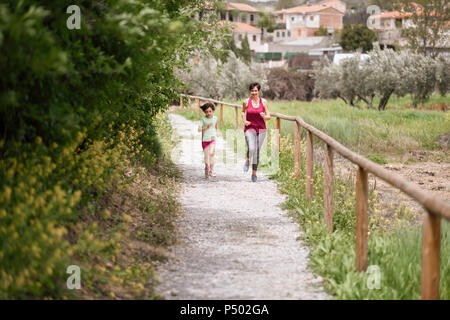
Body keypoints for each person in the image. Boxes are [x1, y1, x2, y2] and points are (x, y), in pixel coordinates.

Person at [241, 82, 270, 182]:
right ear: (250, 91)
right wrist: (244, 121)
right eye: (252, 91)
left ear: (259, 91)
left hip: (261, 129)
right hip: (249, 128)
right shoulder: (246, 101)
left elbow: (268, 116)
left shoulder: (264, 102)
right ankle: (248, 160)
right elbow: (242, 112)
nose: (254, 92)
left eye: (256, 91)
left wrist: (264, 116)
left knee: (256, 151)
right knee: (252, 147)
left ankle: (254, 173)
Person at [198, 102, 218, 178]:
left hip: (212, 139)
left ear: (212, 110)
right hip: (205, 140)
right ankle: (207, 167)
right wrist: (206, 127)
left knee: (211, 153)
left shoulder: (215, 118)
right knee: (206, 156)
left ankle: (212, 170)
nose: (209, 113)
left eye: (210, 111)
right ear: (204, 112)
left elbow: (216, 126)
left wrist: (217, 132)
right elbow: (199, 129)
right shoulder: (202, 119)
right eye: (206, 112)